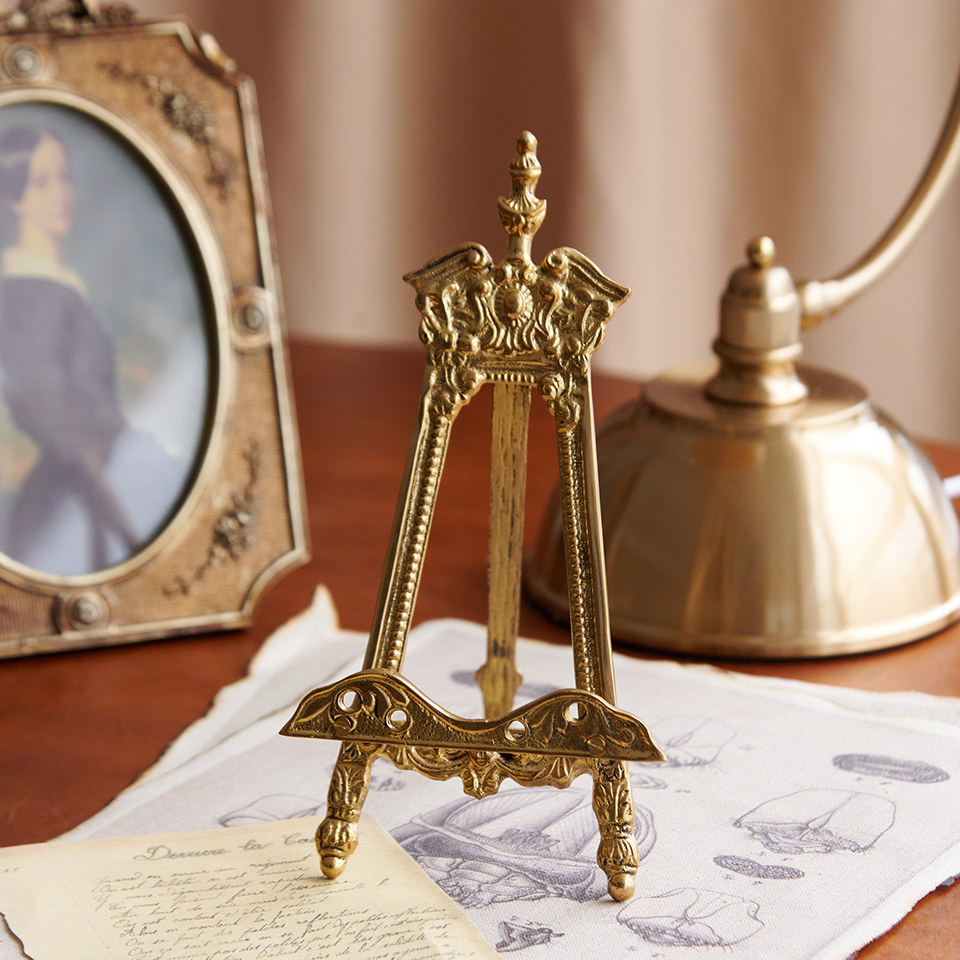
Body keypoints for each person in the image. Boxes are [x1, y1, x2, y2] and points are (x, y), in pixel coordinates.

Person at [0, 125, 141, 574]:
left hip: (91, 485)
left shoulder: (61, 287)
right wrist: (116, 504)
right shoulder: (25, 292)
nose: (60, 194)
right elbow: (35, 404)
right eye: (41, 182)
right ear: (14, 198)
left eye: (64, 177)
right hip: (72, 497)